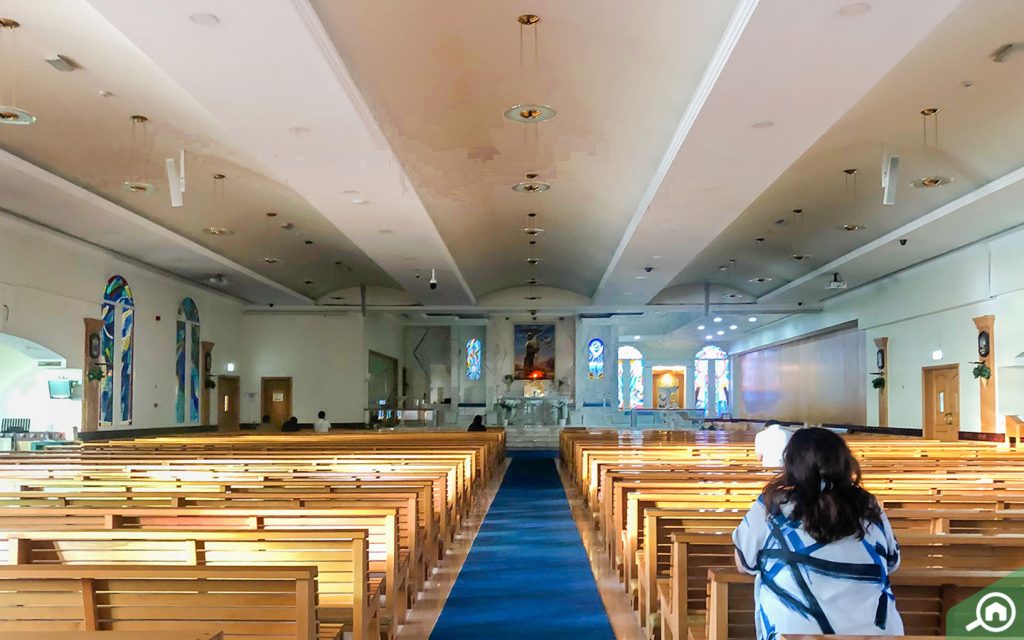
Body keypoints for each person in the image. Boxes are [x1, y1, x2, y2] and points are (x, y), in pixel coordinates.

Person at [733, 428, 902, 640]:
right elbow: (892, 562)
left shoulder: (771, 507)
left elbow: (744, 564)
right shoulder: (868, 505)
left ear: (791, 464)